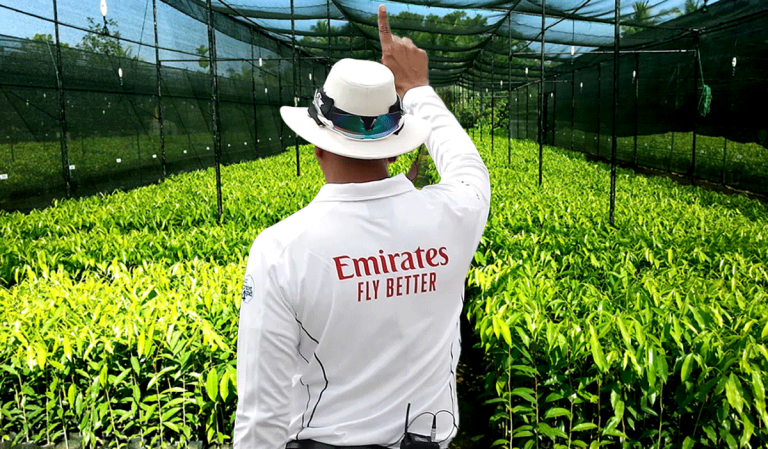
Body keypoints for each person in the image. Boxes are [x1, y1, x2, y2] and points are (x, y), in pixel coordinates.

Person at [233, 5, 490, 449]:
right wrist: (418, 89)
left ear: (316, 144)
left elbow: (262, 417)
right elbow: (468, 168)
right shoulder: (453, 216)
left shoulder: (281, 250)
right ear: (394, 148)